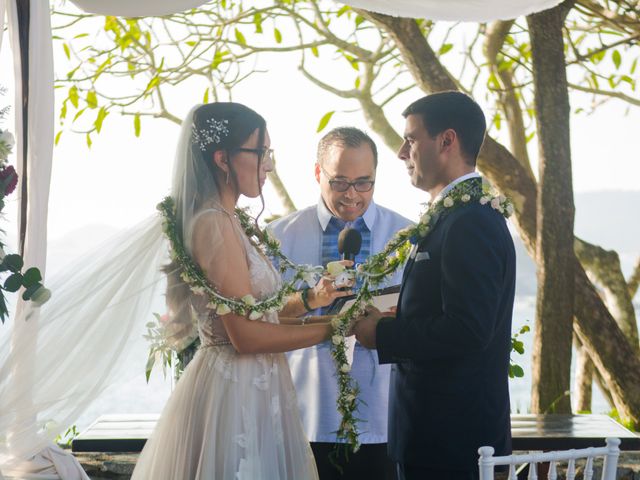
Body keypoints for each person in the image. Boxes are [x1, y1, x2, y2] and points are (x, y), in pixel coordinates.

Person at [131, 102, 352, 479]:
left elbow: (256, 313)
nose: (269, 165)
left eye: (270, 153)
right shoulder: (213, 225)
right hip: (233, 397)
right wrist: (337, 328)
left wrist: (314, 301)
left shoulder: (228, 219)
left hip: (255, 387)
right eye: (260, 153)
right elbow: (245, 336)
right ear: (222, 158)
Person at [353, 92, 516, 480]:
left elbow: (468, 329)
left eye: (410, 139)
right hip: (432, 435)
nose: (400, 152)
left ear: (447, 140)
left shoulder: (470, 222)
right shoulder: (454, 216)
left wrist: (383, 334)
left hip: (453, 442)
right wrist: (403, 315)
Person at [268, 127, 412, 479]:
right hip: (302, 416)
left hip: (383, 417)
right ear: (318, 173)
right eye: (340, 182)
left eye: (364, 183)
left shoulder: (407, 236)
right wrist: (310, 298)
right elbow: (260, 318)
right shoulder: (279, 237)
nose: (353, 195)